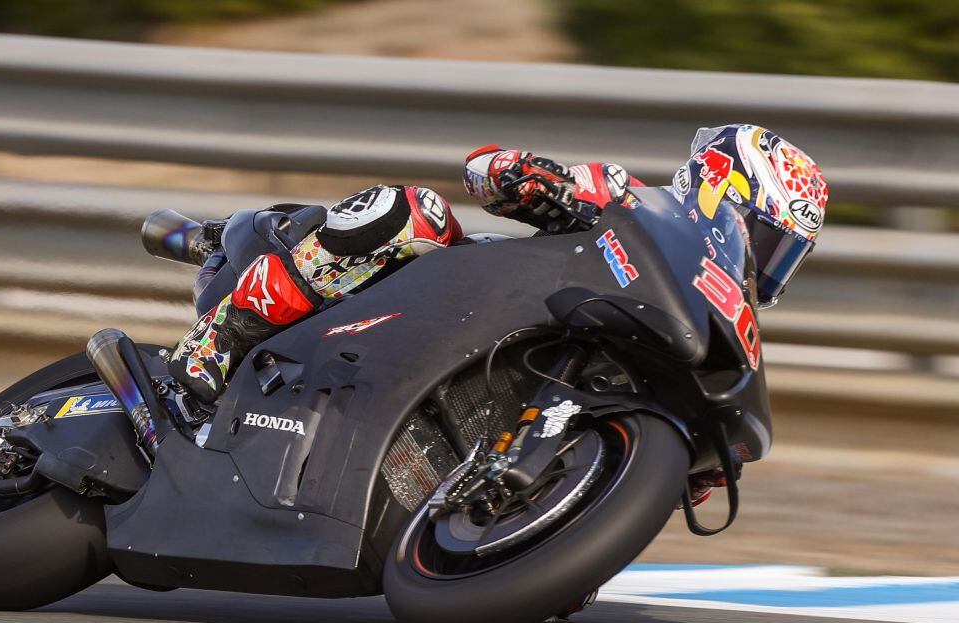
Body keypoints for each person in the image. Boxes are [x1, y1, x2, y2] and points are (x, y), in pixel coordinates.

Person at [169, 125, 828, 503]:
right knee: (415, 211)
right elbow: (483, 170)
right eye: (764, 238)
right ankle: (221, 339)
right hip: (453, 302)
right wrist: (527, 177)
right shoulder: (632, 201)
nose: (763, 263)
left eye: (783, 255)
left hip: (495, 392)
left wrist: (691, 464)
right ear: (720, 186)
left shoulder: (704, 325)